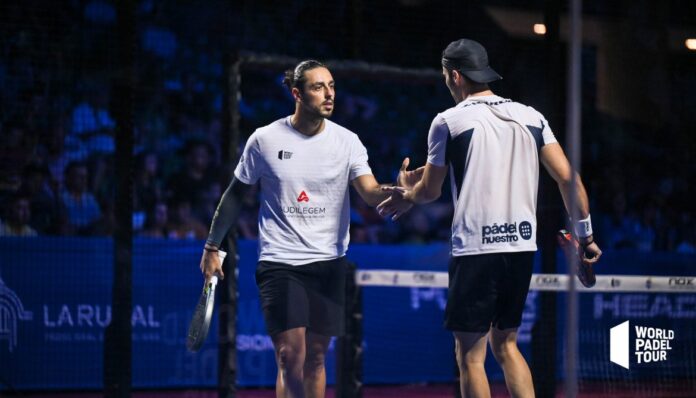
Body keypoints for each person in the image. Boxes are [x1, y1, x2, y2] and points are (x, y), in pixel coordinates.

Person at [378, 39, 602, 398]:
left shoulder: (447, 122)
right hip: (521, 247)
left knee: (469, 356)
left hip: (476, 249)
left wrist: (408, 193)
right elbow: (568, 178)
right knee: (508, 345)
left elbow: (430, 191)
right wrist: (586, 237)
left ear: (454, 76)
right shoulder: (533, 116)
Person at [200, 60, 421, 398]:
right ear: (297, 94)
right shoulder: (265, 140)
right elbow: (235, 194)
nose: (329, 93)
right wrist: (212, 247)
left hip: (329, 262)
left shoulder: (348, 142)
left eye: (331, 86)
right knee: (290, 356)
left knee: (316, 358)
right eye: (318, 87)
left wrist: (399, 192)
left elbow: (370, 191)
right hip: (280, 261)